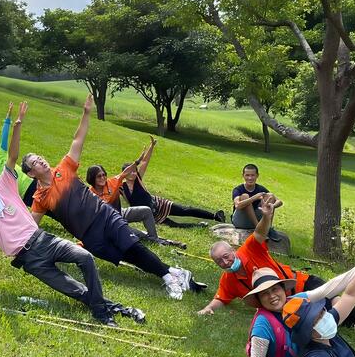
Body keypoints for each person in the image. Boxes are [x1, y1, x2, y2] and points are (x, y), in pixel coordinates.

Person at [0, 103, 145, 327]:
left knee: (85, 258)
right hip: (30, 260)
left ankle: (100, 313)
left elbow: (12, 157)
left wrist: (17, 126)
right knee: (75, 290)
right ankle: (121, 310)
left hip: (45, 240)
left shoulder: (3, 188)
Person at [23, 95, 199, 300]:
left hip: (103, 215)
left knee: (132, 246)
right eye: (35, 162)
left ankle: (168, 277)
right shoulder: (40, 198)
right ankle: (175, 272)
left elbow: (78, 139)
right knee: (126, 255)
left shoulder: (64, 169)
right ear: (31, 173)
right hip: (88, 235)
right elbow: (31, 226)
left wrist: (86, 113)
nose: (41, 161)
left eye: (40, 158)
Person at [196, 196, 355, 351]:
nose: (226, 262)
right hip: (289, 306)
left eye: (227, 256)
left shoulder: (249, 248)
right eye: (220, 261)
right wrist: (207, 309)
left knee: (340, 304)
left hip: (303, 285)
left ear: (233, 250)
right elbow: (220, 298)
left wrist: (267, 216)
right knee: (328, 320)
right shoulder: (228, 279)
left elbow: (260, 231)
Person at [120, 137, 226, 227]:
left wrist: (152, 146)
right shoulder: (122, 188)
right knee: (175, 225)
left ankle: (215, 216)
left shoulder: (138, 178)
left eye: (134, 171)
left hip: (159, 204)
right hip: (150, 214)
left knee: (184, 210)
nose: (133, 173)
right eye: (130, 172)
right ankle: (200, 225)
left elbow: (144, 161)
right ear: (125, 173)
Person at [84, 162, 185, 248]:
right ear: (92, 178)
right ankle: (166, 242)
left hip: (120, 212)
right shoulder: (90, 195)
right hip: (112, 223)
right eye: (99, 176)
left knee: (146, 210)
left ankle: (155, 238)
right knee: (137, 235)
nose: (103, 178)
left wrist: (138, 161)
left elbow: (126, 172)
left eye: (104, 175)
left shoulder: (111, 183)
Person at [232, 164, 283, 240]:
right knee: (245, 196)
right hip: (241, 220)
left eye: (252, 175)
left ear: (257, 176)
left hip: (256, 218)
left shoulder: (260, 188)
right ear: (243, 176)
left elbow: (279, 201)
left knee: (270, 196)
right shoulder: (238, 189)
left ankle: (268, 228)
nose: (250, 178)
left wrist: (272, 206)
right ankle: (258, 228)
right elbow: (237, 205)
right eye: (247, 175)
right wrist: (254, 198)